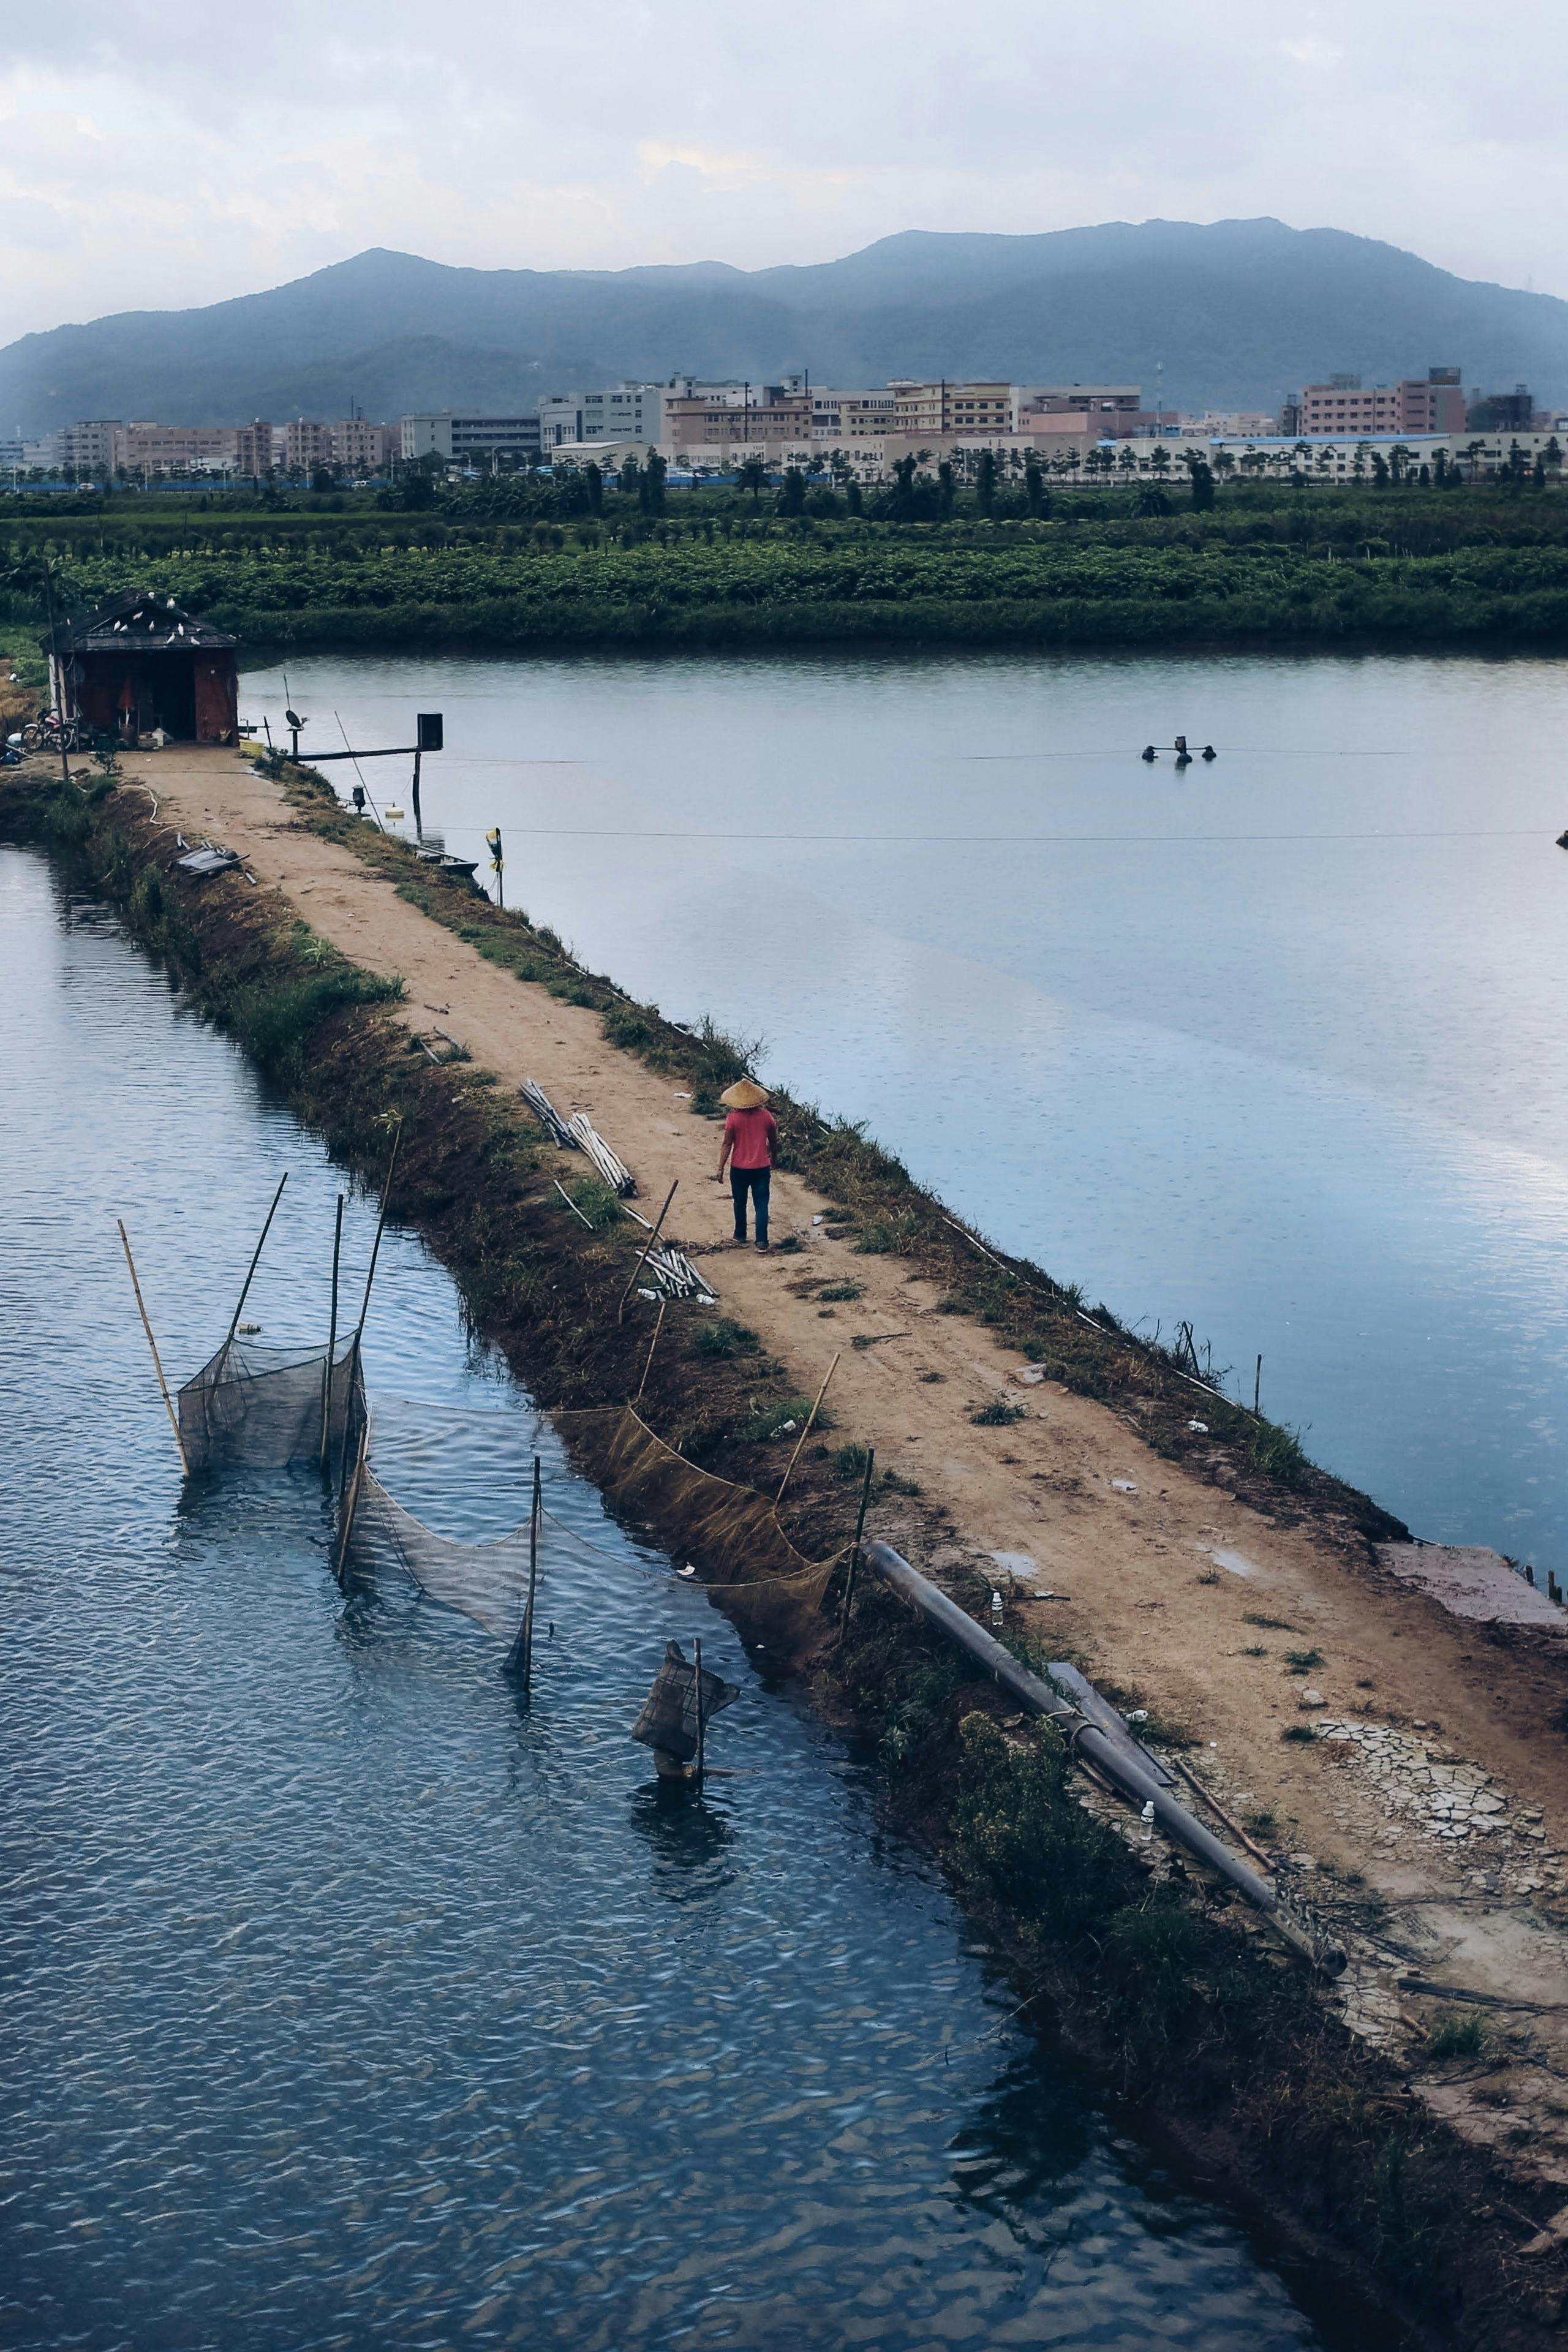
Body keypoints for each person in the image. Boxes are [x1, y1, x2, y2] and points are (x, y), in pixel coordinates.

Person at [714, 1078, 777, 1250]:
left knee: (740, 1202)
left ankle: (740, 1234)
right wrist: (775, 1158)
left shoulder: (733, 1119)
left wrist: (720, 1168)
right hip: (762, 1168)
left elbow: (727, 1144)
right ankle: (762, 1241)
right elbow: (773, 1140)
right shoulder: (766, 1116)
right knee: (762, 1204)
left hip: (739, 1169)